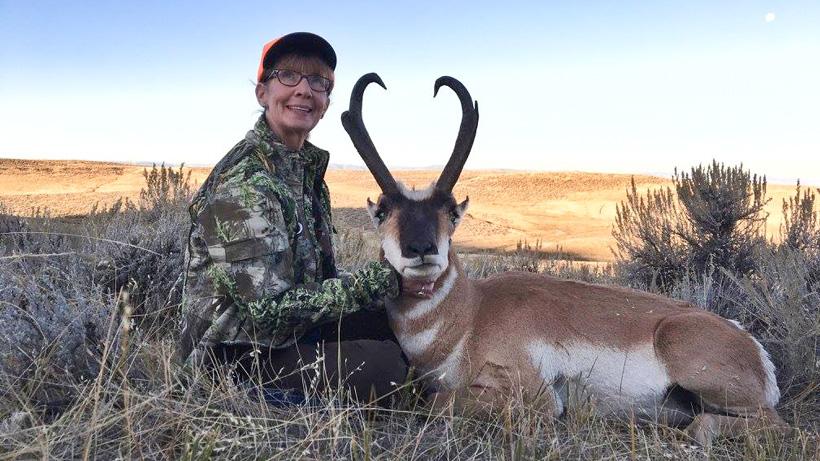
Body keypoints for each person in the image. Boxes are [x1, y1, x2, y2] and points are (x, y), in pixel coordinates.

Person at [173, 32, 407, 404]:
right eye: (287, 76)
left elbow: (312, 281)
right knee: (388, 369)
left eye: (319, 81)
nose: (304, 90)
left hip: (291, 335)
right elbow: (267, 312)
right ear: (262, 93)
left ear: (327, 100)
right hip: (234, 358)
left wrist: (390, 289)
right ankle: (260, 402)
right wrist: (373, 283)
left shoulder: (302, 173)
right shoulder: (243, 184)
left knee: (401, 327)